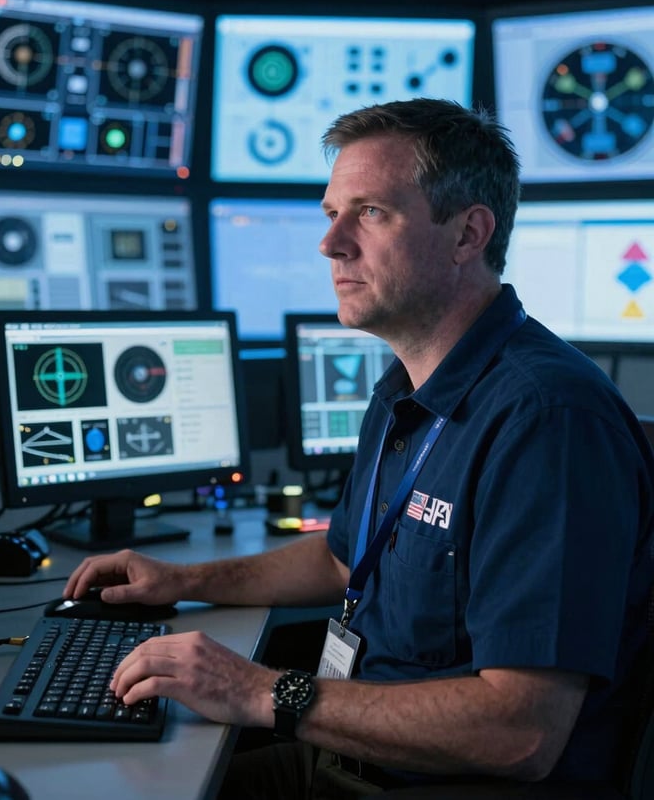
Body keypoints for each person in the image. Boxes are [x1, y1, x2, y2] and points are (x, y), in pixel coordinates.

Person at [63, 99, 654, 798]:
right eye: (330, 213)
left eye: (371, 212)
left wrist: (258, 691)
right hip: (352, 756)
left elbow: (521, 730)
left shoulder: (546, 420)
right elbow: (343, 555)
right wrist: (183, 582)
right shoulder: (407, 385)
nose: (332, 243)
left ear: (469, 234)